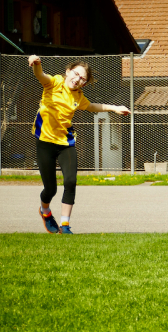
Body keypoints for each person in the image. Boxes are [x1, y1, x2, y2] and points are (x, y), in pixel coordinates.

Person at [29, 55, 130, 234]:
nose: (77, 79)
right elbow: (40, 75)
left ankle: (65, 225)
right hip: (45, 141)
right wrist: (35, 62)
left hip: (66, 143)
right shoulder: (54, 83)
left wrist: (115, 108)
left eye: (82, 79)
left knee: (70, 181)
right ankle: (45, 211)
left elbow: (92, 107)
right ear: (68, 72)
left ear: (84, 84)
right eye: (76, 74)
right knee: (50, 189)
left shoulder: (78, 96)